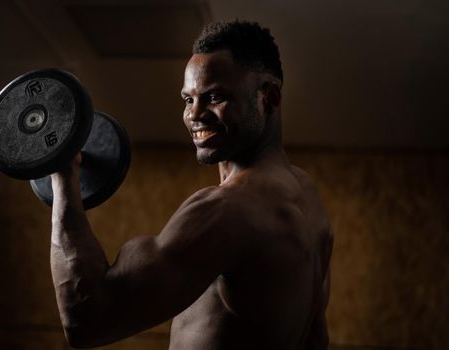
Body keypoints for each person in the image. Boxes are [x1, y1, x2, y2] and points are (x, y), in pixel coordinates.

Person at [50, 20, 333, 350]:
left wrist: (62, 175)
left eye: (214, 97)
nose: (194, 115)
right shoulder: (307, 199)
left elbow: (86, 320)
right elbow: (315, 338)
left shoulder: (231, 211)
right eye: (188, 99)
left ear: (268, 97)